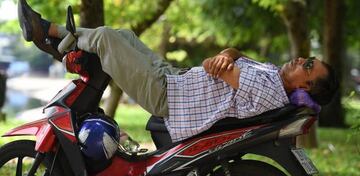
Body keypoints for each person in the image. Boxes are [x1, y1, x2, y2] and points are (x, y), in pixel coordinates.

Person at [18, 0, 338, 142]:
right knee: (124, 35)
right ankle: (67, 48)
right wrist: (227, 54)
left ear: (307, 86)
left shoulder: (272, 89)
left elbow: (222, 70)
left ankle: (52, 35)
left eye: (308, 66)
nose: (302, 60)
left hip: (169, 95)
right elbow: (233, 58)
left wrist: (221, 63)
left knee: (105, 39)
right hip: (174, 78)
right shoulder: (272, 75)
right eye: (308, 58)